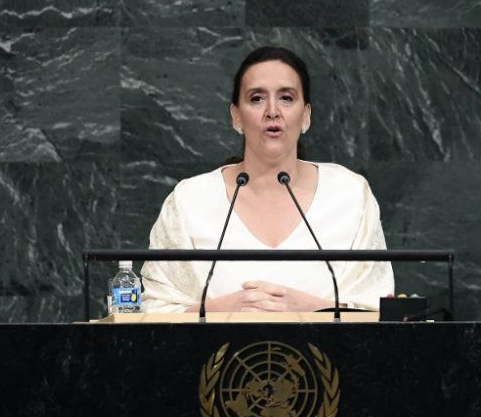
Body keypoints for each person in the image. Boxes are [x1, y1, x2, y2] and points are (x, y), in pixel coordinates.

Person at [140, 46, 394, 313]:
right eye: (257, 98)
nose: (272, 111)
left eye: (286, 98)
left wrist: (309, 308)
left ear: (306, 115)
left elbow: (377, 307)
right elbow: (155, 308)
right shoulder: (188, 199)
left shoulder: (350, 194)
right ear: (236, 116)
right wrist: (223, 309)